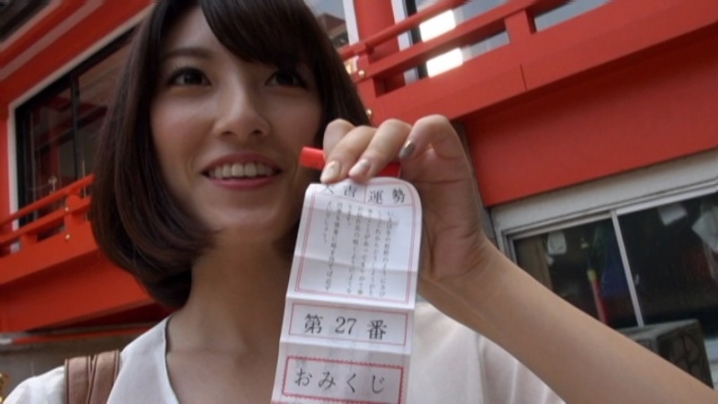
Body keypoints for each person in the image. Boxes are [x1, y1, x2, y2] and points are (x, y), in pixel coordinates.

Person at [6, 1, 718, 403]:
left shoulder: (472, 356)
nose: (242, 117)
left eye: (283, 78)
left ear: (327, 117)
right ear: (141, 130)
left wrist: (476, 278)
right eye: (191, 78)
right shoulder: (60, 401)